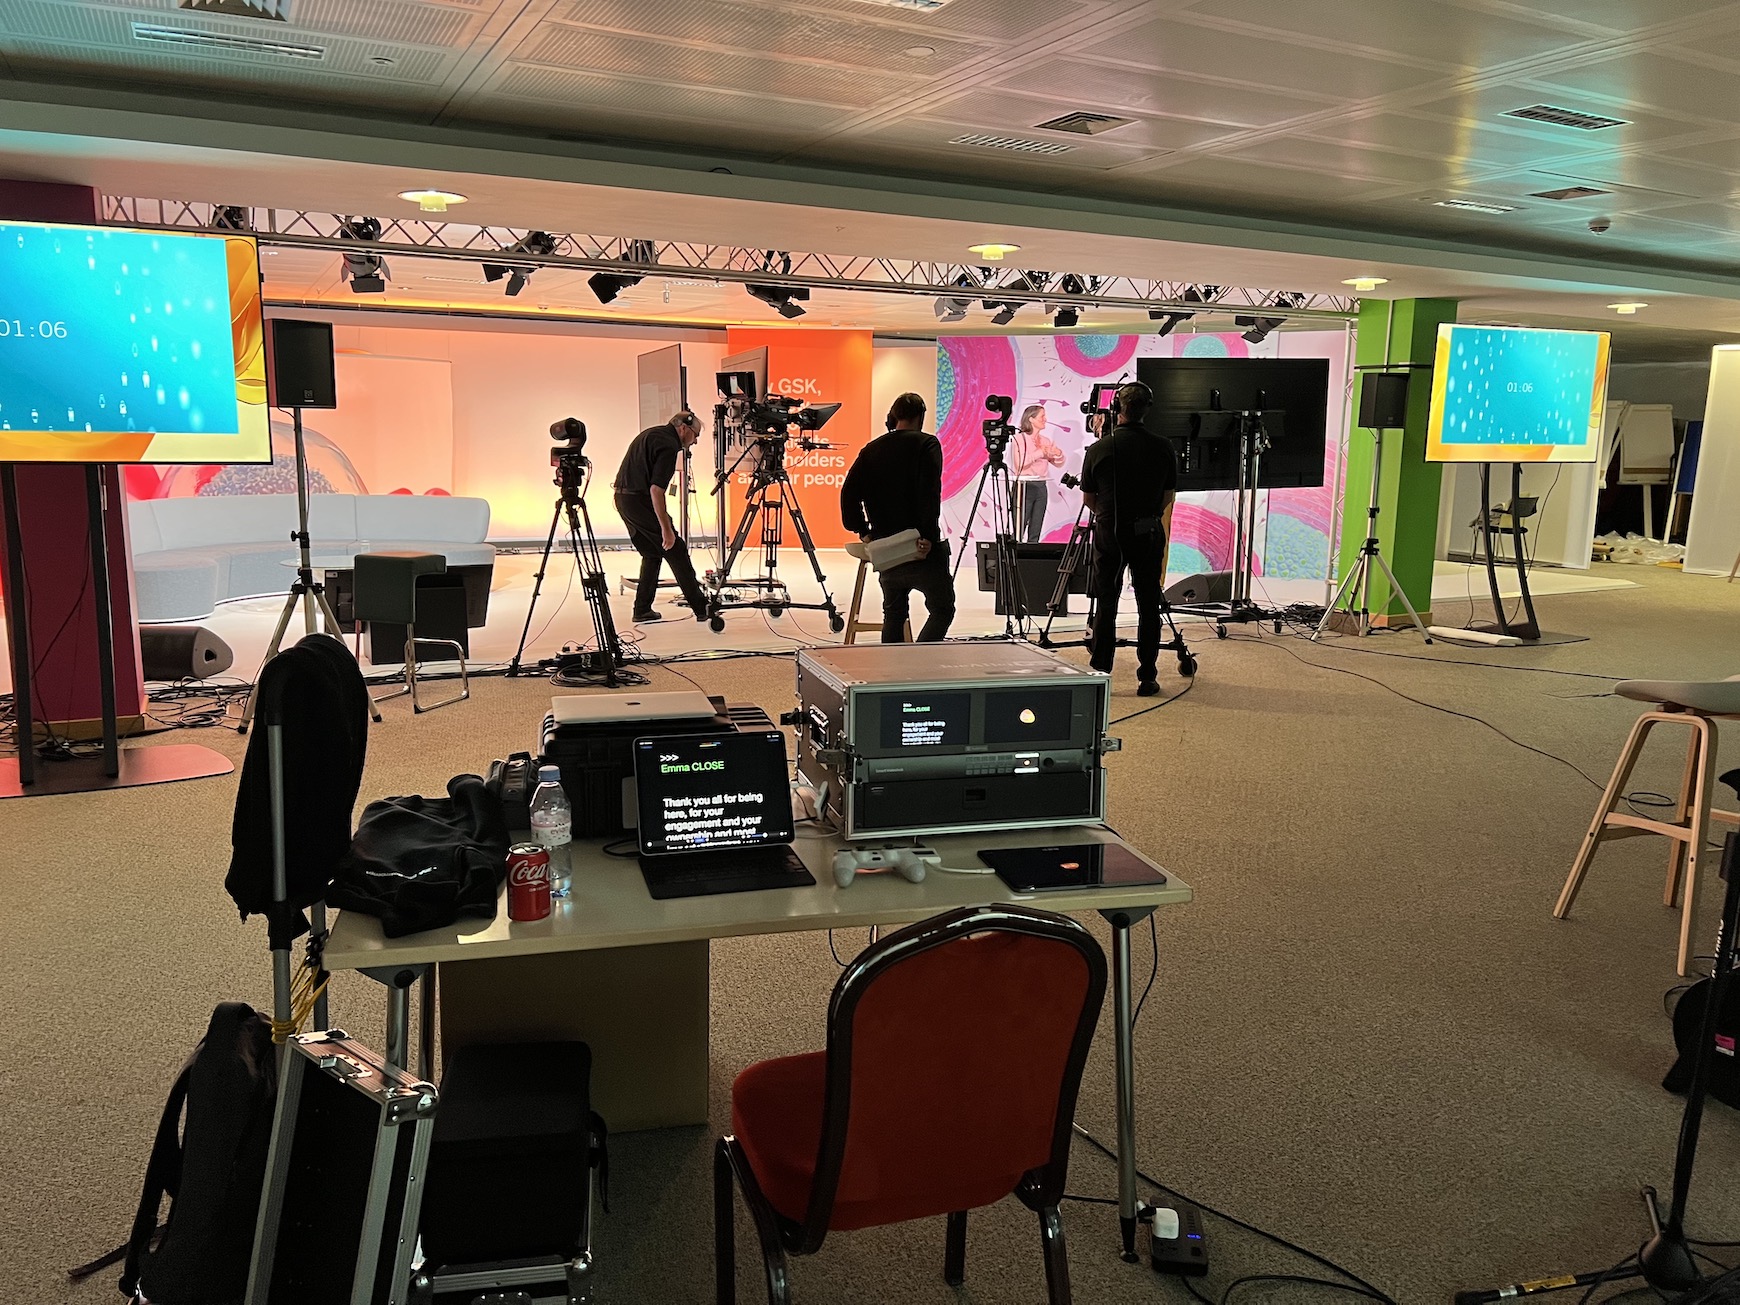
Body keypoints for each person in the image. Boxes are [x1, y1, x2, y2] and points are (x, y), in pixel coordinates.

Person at [1079, 381, 1178, 696]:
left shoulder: (1098, 449)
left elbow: (1089, 499)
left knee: (1106, 602)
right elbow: (1168, 495)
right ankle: (1147, 676)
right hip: (1148, 532)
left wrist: (1110, 516)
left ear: (1116, 409)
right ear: (1148, 409)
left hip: (1110, 533)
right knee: (1148, 604)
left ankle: (1100, 670)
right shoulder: (1164, 447)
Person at [840, 392, 956, 643]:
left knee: (893, 615)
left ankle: (895, 664)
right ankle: (921, 659)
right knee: (942, 609)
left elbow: (848, 494)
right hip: (920, 547)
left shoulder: (871, 450)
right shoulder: (927, 444)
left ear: (893, 417)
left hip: (886, 548)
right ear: (920, 417)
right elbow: (929, 493)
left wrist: (864, 531)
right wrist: (927, 536)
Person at [613, 410, 712, 623]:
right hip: (639, 502)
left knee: (651, 553)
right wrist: (666, 529)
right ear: (683, 428)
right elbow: (656, 490)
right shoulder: (669, 445)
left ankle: (642, 609)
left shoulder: (651, 433)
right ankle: (702, 607)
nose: (695, 442)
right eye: (695, 435)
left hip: (623, 499)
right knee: (676, 549)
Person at [1009, 403, 1066, 542]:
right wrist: (1040, 452)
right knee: (1019, 529)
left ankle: (1032, 553)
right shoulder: (1019, 439)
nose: (1045, 419)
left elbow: (1058, 463)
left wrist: (1058, 454)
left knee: (1036, 529)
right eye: (1042, 416)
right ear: (1031, 419)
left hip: (1040, 486)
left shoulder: (1045, 440)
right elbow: (1020, 463)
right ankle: (1015, 554)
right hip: (1024, 487)